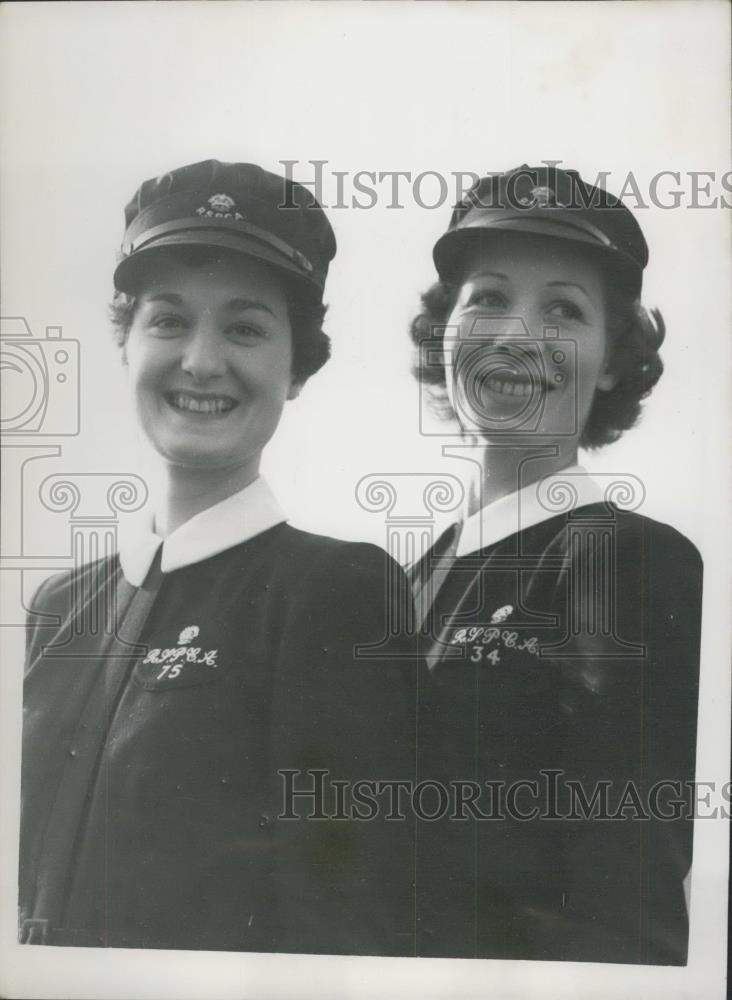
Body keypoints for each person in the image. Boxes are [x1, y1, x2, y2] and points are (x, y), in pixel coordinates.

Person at [19, 159, 417, 955]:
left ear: (296, 366)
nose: (201, 361)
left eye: (244, 328)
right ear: (125, 343)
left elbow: (343, 922)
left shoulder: (335, 591)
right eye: (168, 320)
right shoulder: (58, 609)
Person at [407, 164, 702, 964]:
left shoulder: (625, 560)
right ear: (446, 335)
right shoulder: (412, 578)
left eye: (563, 310)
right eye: (489, 298)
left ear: (612, 360)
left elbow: (627, 902)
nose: (517, 336)